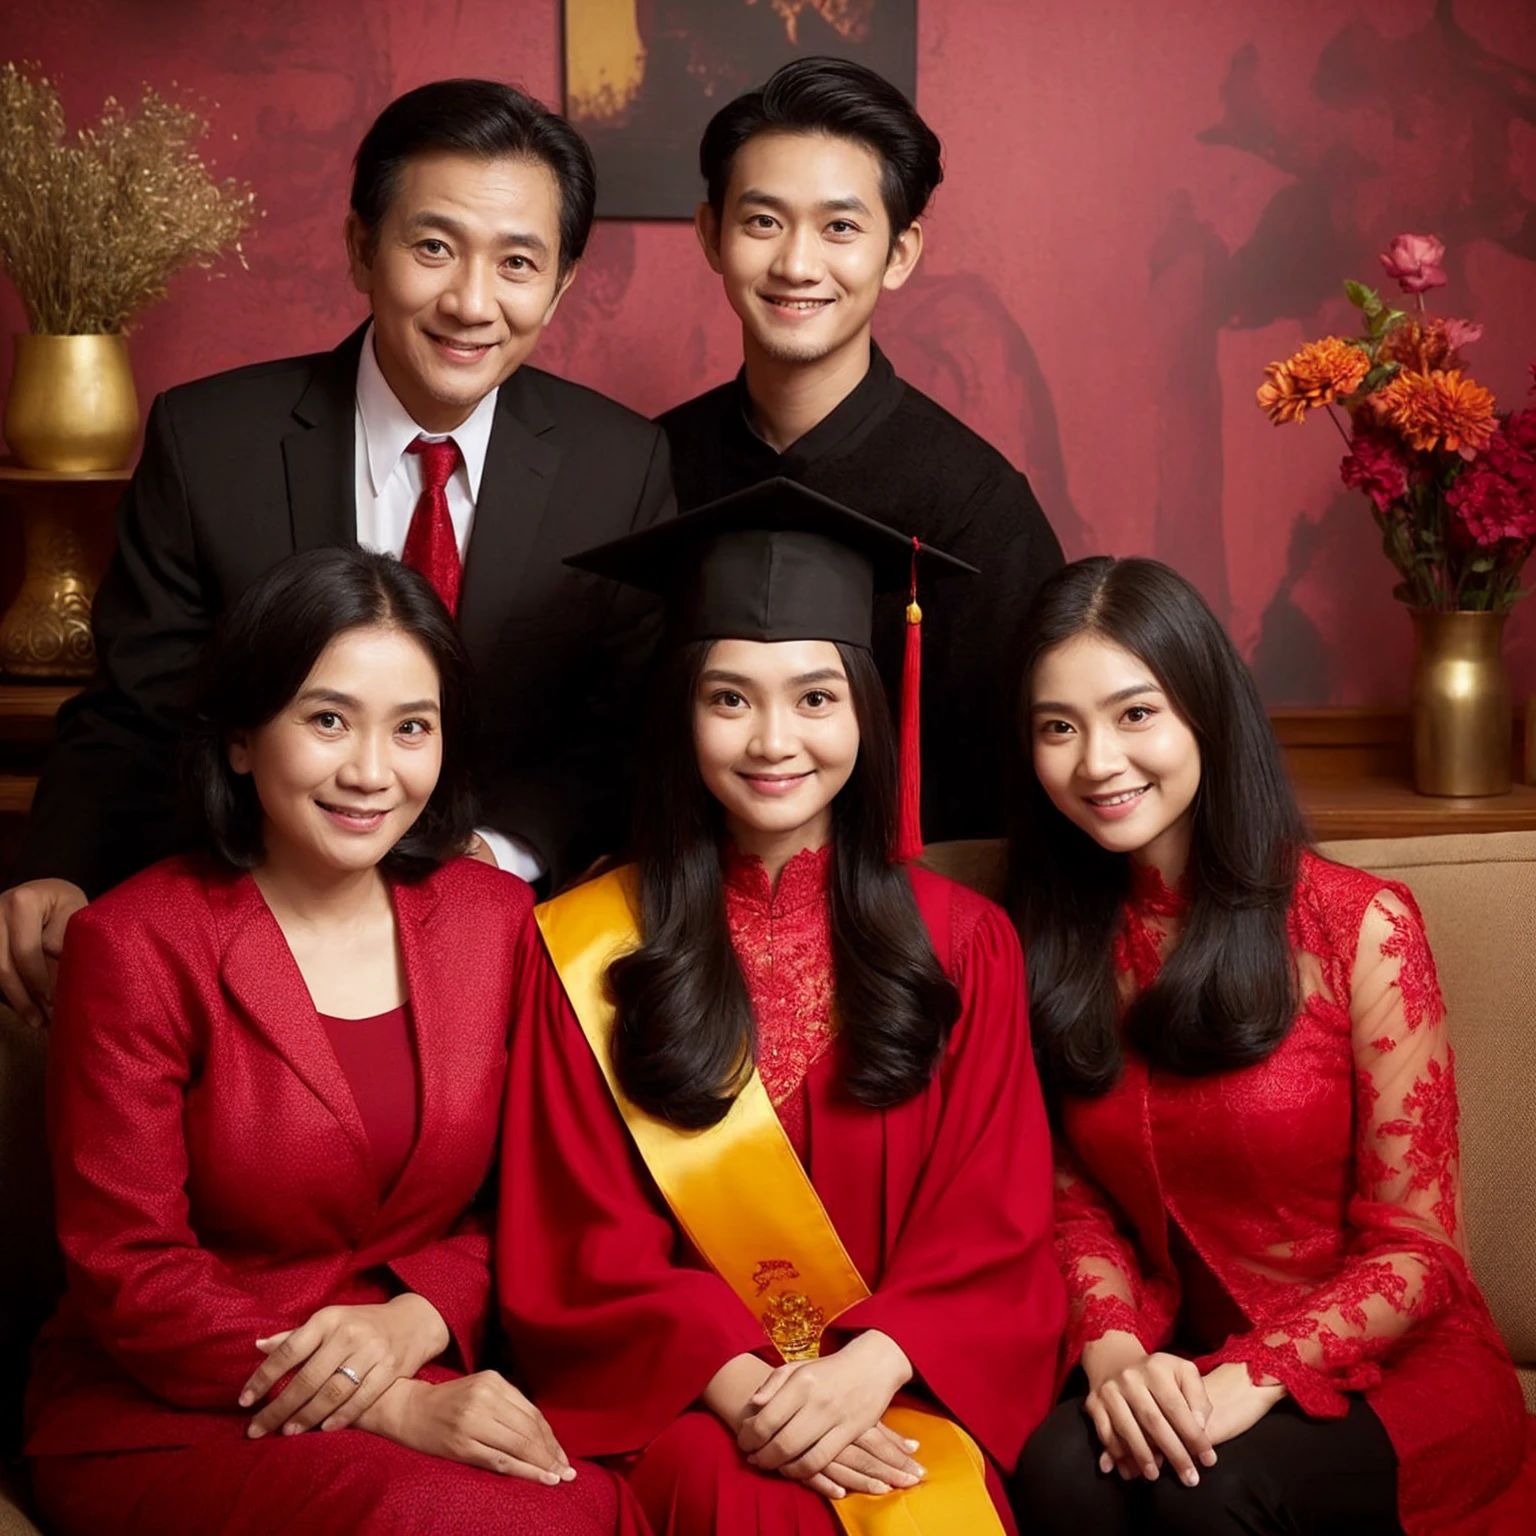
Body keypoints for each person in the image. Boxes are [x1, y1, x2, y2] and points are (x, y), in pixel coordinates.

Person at [0, 76, 674, 1027]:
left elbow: (618, 738)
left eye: (518, 263)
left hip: (507, 940)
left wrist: (499, 854)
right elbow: (136, 709)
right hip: (247, 927)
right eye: (433, 247)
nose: (472, 301)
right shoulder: (211, 442)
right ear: (362, 247)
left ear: (560, 283)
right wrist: (58, 865)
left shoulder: (623, 467)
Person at [24, 547, 647, 1536]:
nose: (369, 771)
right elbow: (128, 1270)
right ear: (240, 736)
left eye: (412, 729)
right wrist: (391, 1402)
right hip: (178, 1402)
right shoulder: (135, 945)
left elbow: (541, 1199)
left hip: (425, 1357)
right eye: (326, 720)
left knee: (604, 1503)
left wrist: (420, 1319)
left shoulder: (496, 921)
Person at [496, 479, 1064, 1535]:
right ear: (681, 712)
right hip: (694, 1404)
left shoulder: (964, 943)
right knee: (744, 1505)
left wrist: (868, 1371)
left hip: (904, 1390)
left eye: (815, 697)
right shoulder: (581, 947)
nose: (772, 742)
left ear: (866, 710)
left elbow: (999, 1222)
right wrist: (751, 1392)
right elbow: (579, 1240)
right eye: (728, 698)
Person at [1005, 556, 1531, 1535]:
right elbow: (1071, 1193)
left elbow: (1420, 1247)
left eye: (1135, 714)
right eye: (1057, 727)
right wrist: (1113, 1352)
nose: (1097, 763)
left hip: (1400, 1372)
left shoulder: (1357, 925)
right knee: (1058, 1472)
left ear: (1205, 708)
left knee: (1201, 1497)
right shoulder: (1050, 937)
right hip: (1181, 1359)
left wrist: (1260, 1371)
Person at [658, 56, 1063, 848]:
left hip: (905, 921)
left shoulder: (976, 506)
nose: (797, 265)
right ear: (711, 235)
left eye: (840, 226)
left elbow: (1013, 777)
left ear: (901, 252)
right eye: (762, 221)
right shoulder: (648, 467)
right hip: (676, 908)